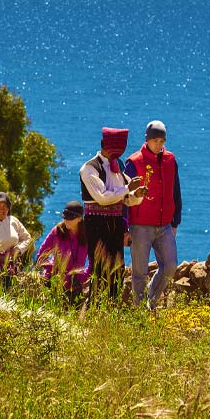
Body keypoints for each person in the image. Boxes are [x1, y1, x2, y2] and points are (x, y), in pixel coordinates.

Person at [79, 126, 146, 300]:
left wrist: (136, 195)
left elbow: (126, 199)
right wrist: (127, 189)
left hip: (115, 224)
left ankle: (111, 307)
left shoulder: (118, 170)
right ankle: (95, 309)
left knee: (117, 269)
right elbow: (102, 198)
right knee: (99, 268)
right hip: (96, 222)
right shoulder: (89, 168)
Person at [124, 120, 182, 309]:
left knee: (170, 265)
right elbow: (125, 196)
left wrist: (175, 222)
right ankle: (141, 311)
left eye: (162, 140)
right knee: (139, 272)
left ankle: (151, 300)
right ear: (147, 139)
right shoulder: (134, 162)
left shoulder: (170, 159)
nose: (159, 144)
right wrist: (125, 227)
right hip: (140, 225)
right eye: (155, 140)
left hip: (165, 224)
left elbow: (176, 191)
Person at [35, 200, 90, 304]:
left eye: (70, 218)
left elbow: (93, 260)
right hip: (54, 281)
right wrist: (52, 270)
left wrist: (83, 277)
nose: (66, 220)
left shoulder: (87, 235)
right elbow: (41, 255)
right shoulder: (57, 232)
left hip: (75, 284)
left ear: (79, 219)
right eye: (65, 217)